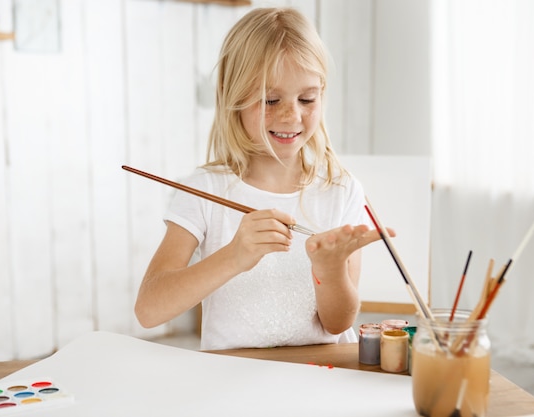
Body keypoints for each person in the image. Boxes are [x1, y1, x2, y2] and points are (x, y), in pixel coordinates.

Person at [134, 7, 394, 350]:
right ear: (232, 96)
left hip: (319, 378)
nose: (291, 115)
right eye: (270, 100)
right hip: (232, 381)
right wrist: (234, 256)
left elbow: (337, 324)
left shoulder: (341, 190)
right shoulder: (204, 190)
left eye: (307, 98)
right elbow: (149, 311)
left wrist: (330, 271)